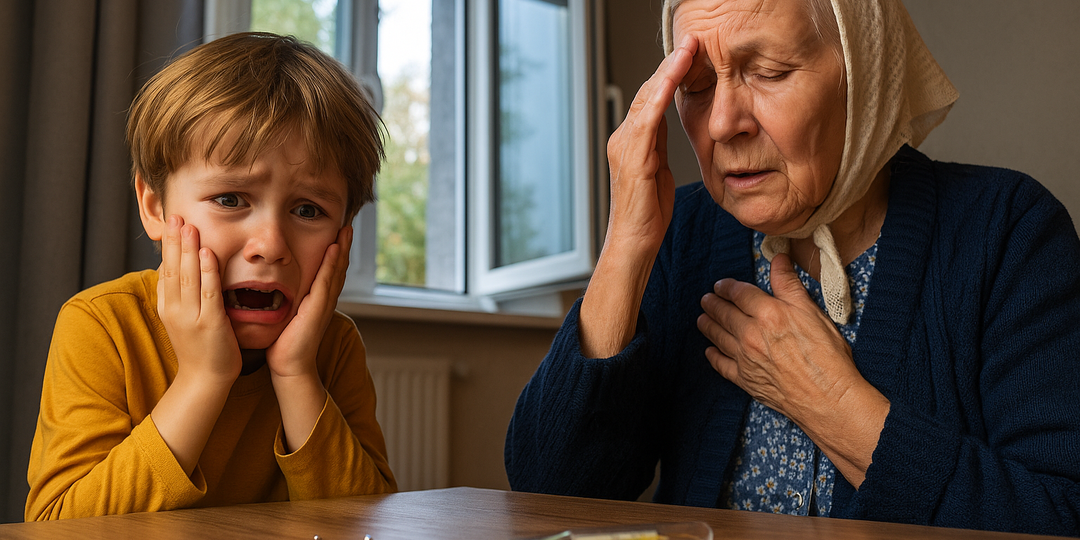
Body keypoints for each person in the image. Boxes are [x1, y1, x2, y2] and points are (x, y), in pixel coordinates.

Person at [504, 0, 1080, 535]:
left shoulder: (1007, 230)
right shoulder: (683, 236)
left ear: (863, 71)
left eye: (771, 72)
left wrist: (832, 405)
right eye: (697, 86)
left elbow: (1060, 515)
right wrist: (625, 247)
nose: (724, 123)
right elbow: (546, 493)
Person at [25, 32, 397, 520]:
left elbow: (366, 522)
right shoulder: (101, 326)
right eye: (230, 200)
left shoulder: (333, 346)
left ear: (343, 235)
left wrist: (296, 373)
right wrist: (204, 376)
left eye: (308, 209)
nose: (270, 245)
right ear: (154, 206)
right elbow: (60, 528)